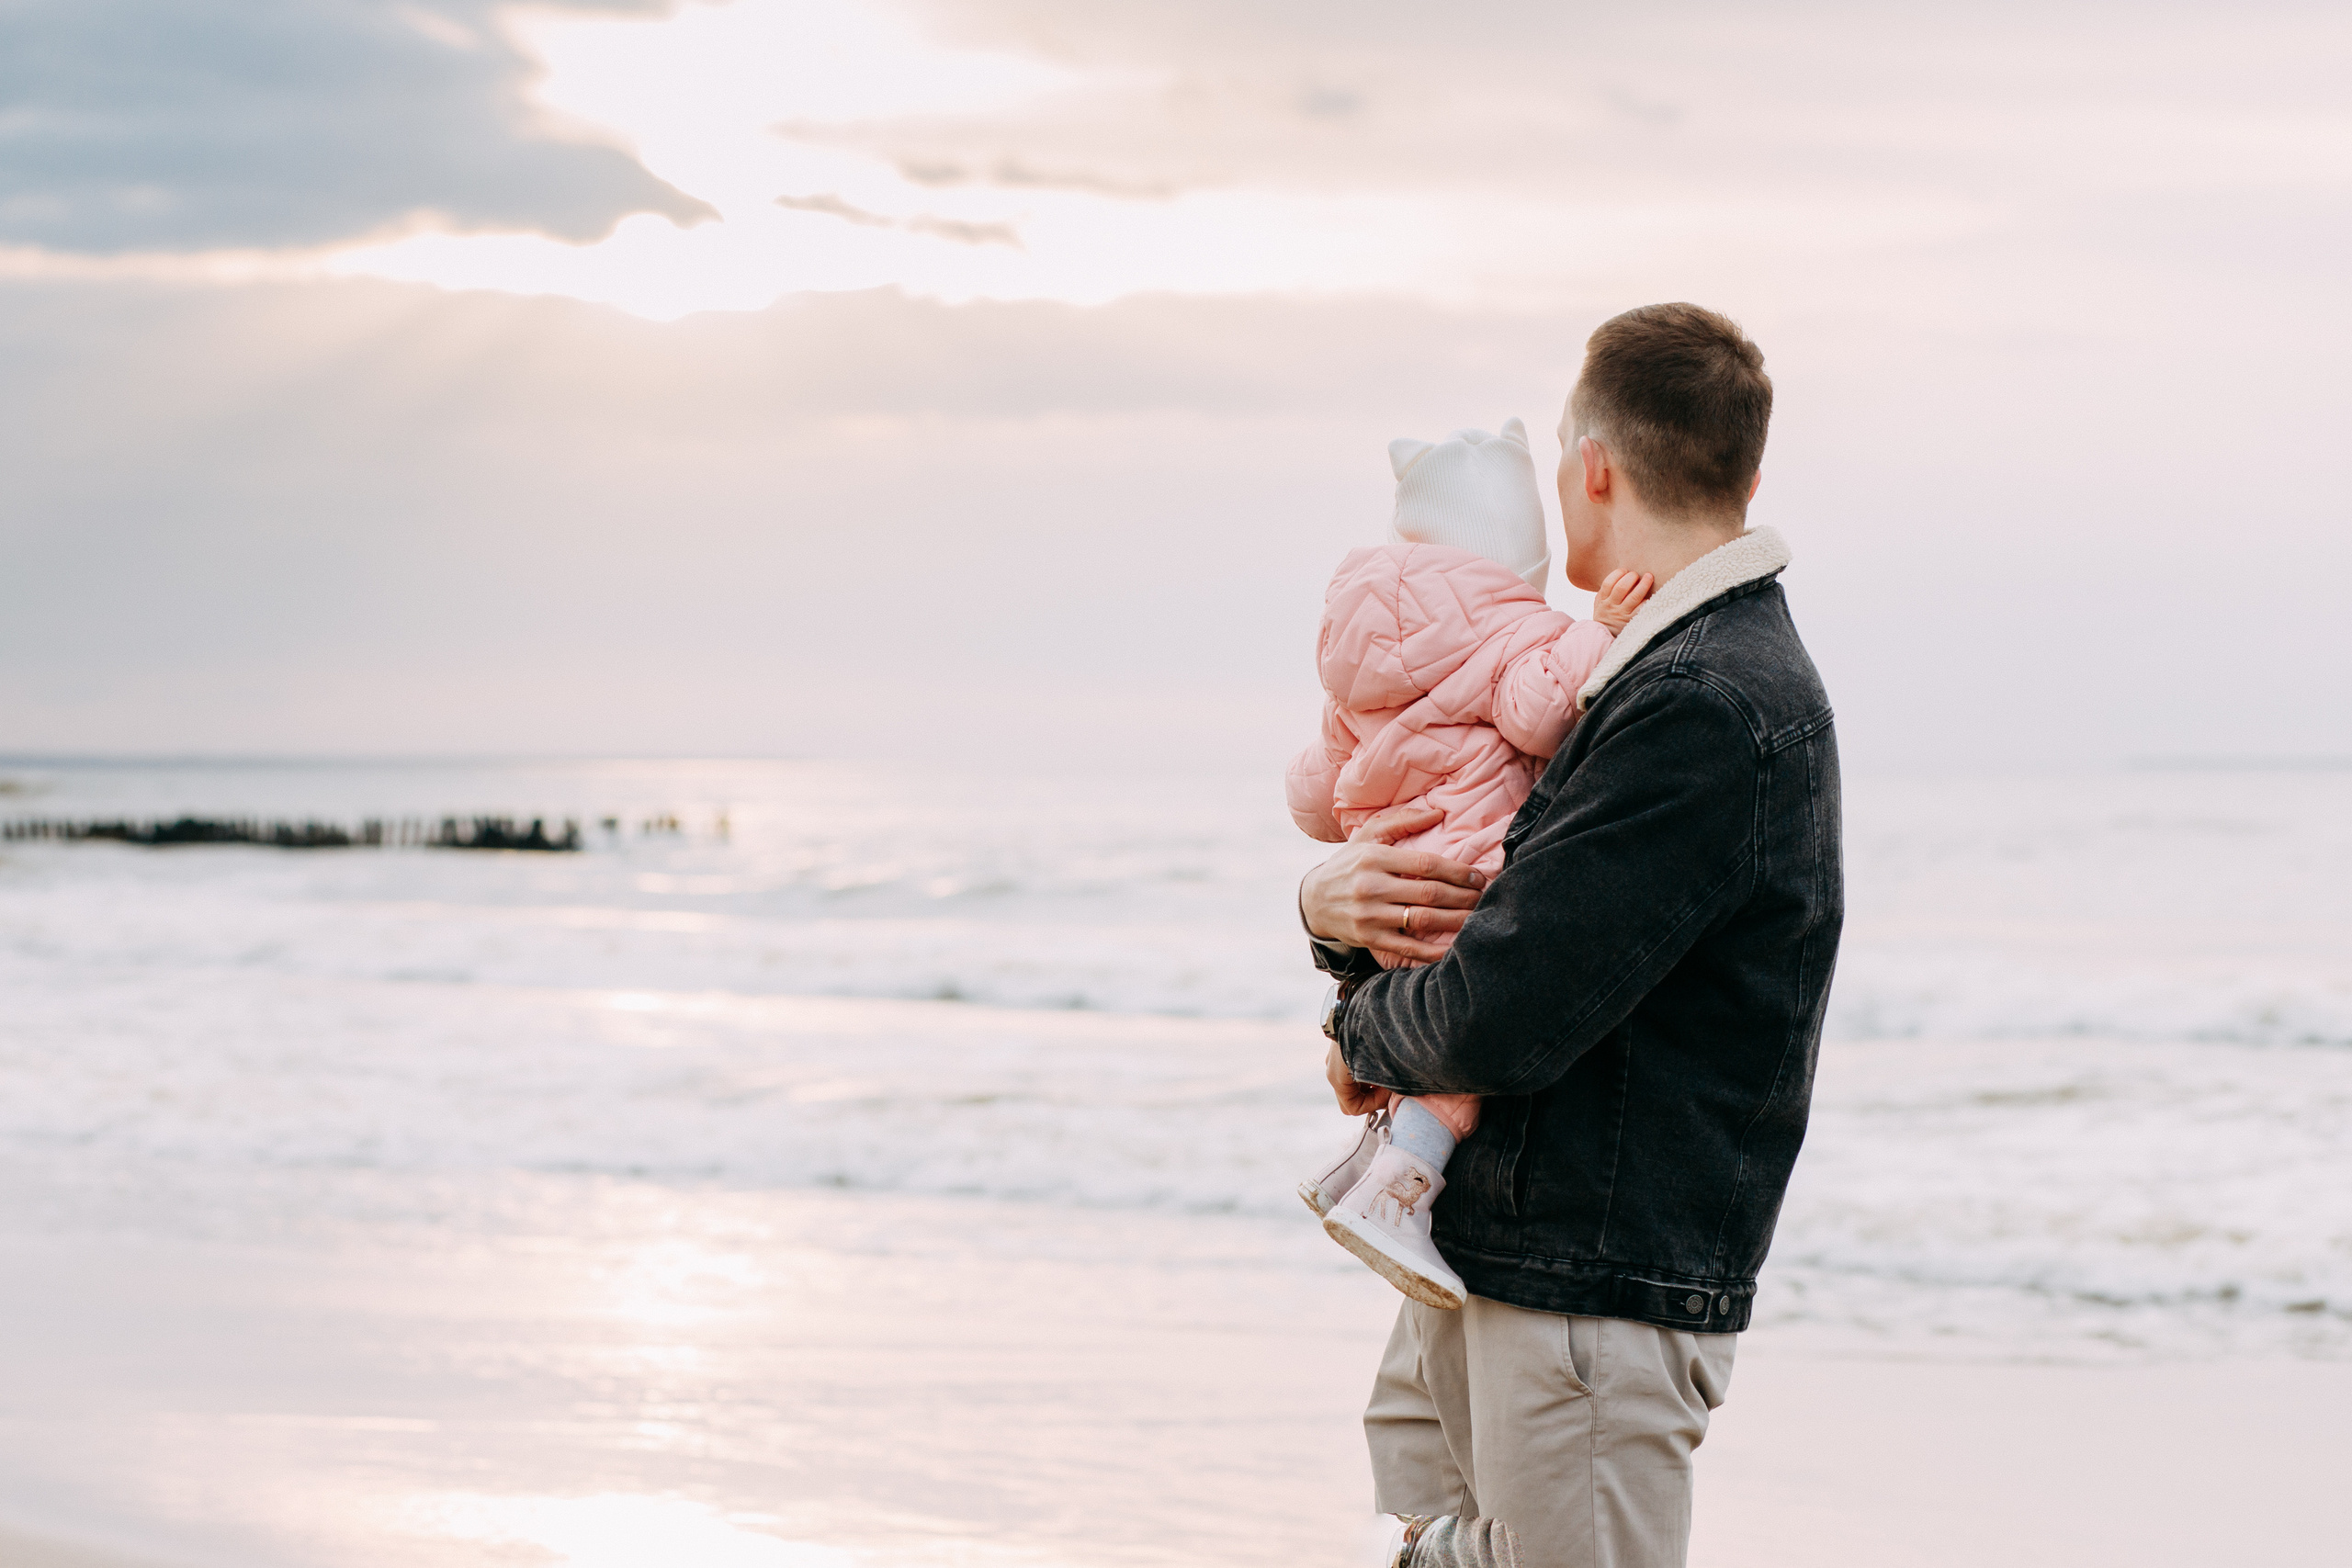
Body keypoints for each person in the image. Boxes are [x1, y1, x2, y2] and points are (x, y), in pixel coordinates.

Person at [1299, 303, 1843, 1568]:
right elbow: (1484, 905)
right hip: (1523, 1260)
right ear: (1746, 473)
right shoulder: (1640, 671)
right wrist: (1332, 923)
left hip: (1587, 1291)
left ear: (1591, 467)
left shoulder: (1702, 698)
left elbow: (1499, 1009)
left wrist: (1357, 1024)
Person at [1286, 418, 1654, 1310]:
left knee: (1406, 1022)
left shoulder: (1352, 643)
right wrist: (1598, 631)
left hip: (1381, 884)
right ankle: (1397, 1195)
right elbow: (1537, 714)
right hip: (1462, 878)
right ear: (1517, 554)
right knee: (1460, 1055)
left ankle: (1354, 1173)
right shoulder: (1508, 626)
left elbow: (1314, 796)